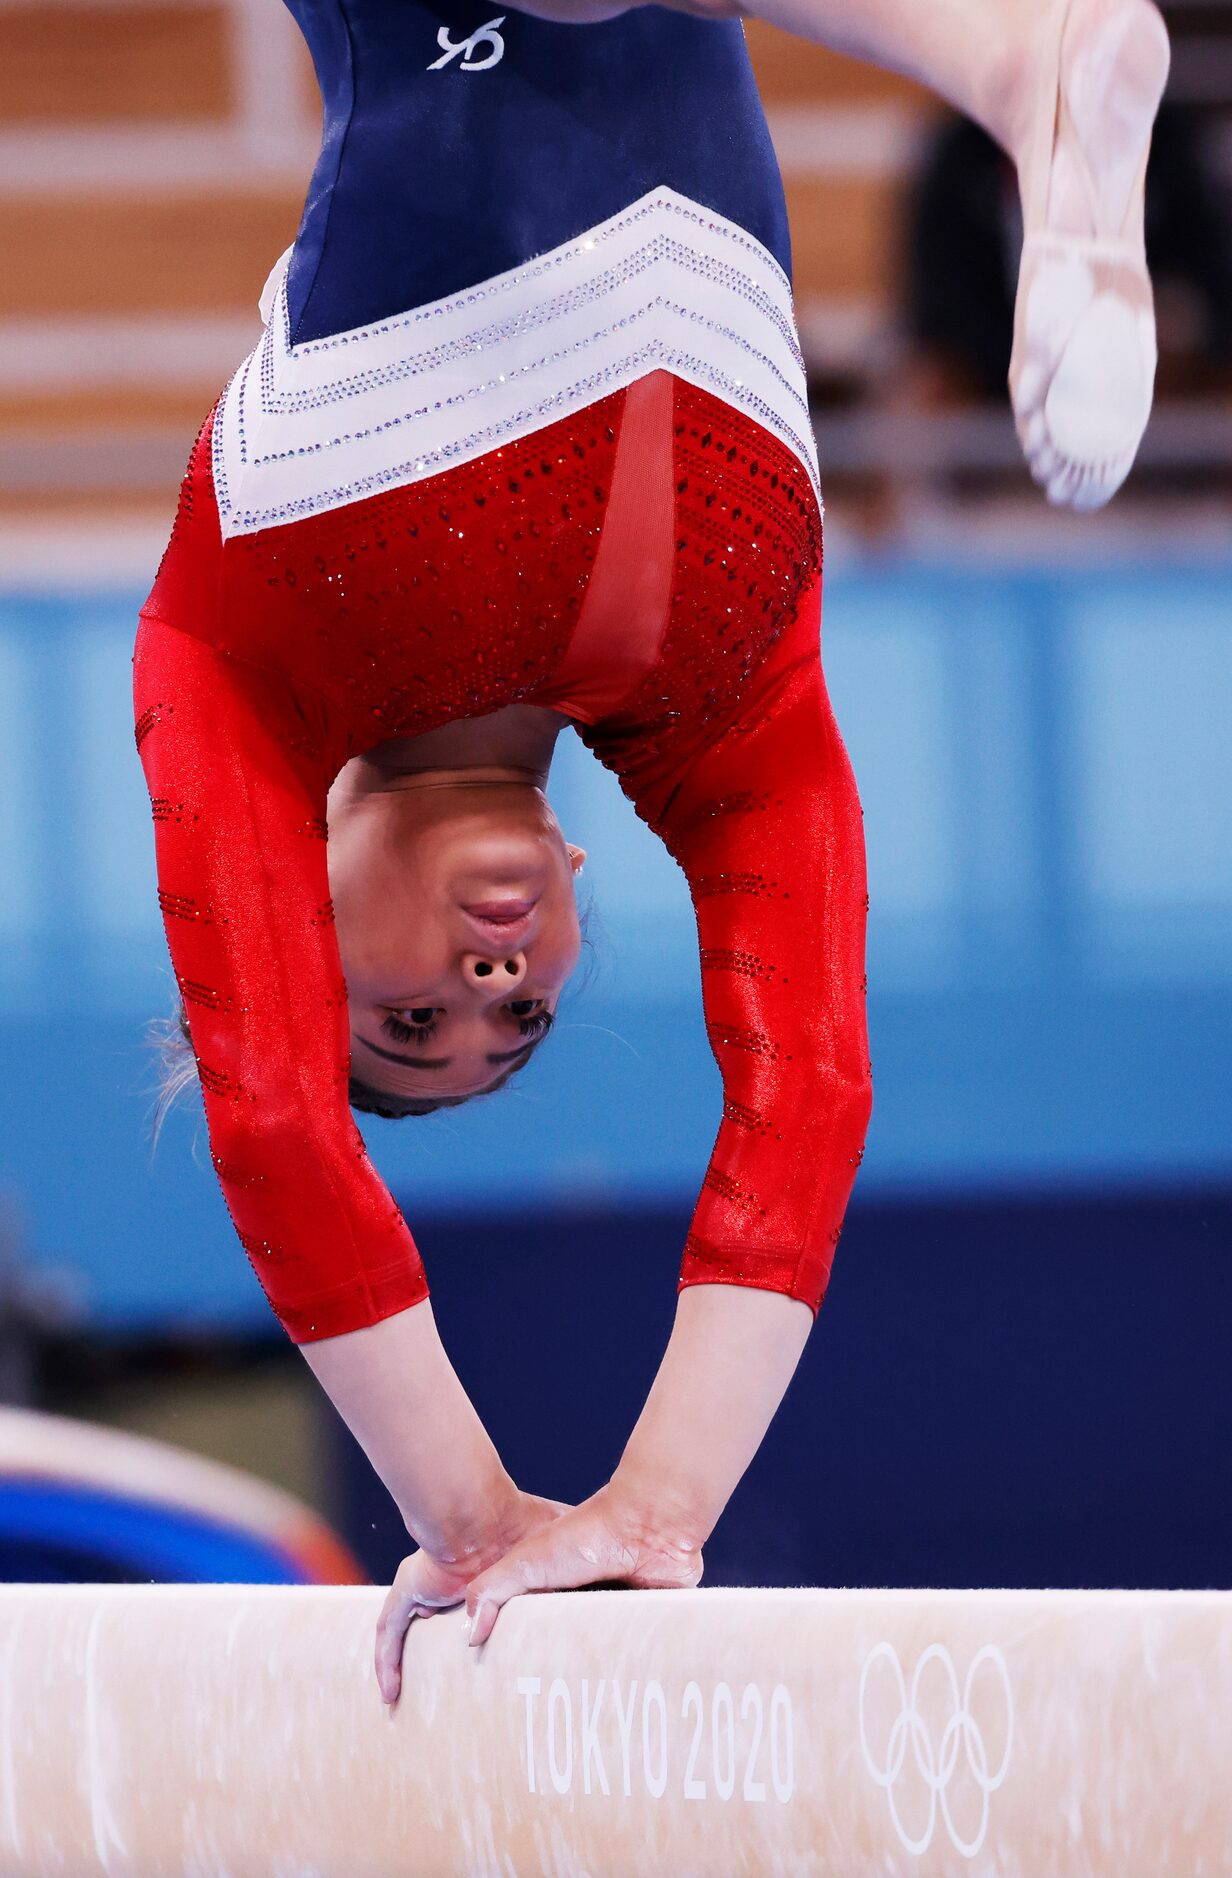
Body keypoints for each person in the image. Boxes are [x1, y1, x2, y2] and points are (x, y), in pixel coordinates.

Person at [132, 0, 1167, 1702]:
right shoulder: (730, 717)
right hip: (726, 483)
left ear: (302, 895)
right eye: (516, 1021)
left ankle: (1017, 66)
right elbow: (809, 1094)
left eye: (408, 1018)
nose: (487, 984)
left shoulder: (238, 659)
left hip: (382, 431)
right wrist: (658, 1505)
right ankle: (1012, 58)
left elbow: (271, 1121)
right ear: (581, 891)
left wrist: (467, 1518)